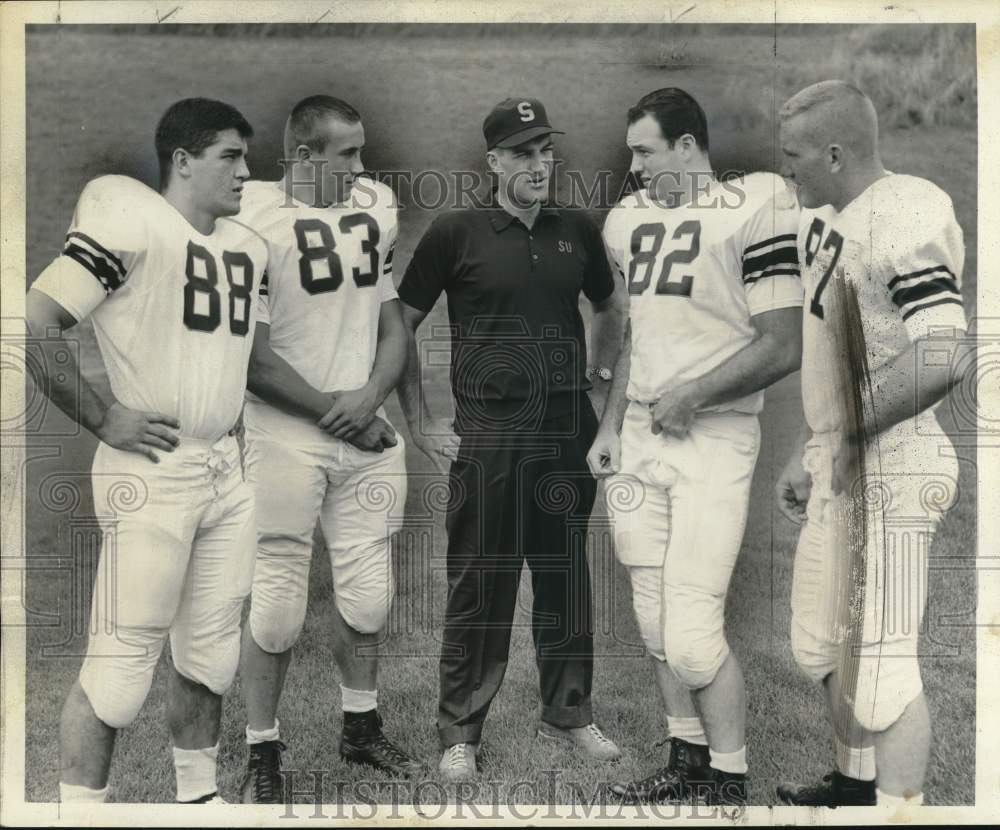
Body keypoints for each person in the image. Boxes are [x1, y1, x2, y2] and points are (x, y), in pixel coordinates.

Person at [26, 98, 268, 804]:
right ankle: (79, 814)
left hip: (228, 468)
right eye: (230, 155)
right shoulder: (132, 219)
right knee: (120, 672)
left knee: (211, 658)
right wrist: (103, 418)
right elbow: (35, 323)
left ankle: (200, 801)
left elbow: (240, 359)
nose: (246, 171)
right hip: (154, 472)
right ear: (183, 161)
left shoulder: (244, 246)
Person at [397, 97, 628, 781]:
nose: (538, 164)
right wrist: (419, 418)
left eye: (545, 151)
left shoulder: (575, 230)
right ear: (493, 161)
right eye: (522, 153)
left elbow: (610, 306)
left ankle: (569, 714)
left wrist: (594, 374)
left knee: (563, 575)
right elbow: (398, 323)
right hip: (490, 432)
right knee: (481, 580)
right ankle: (461, 730)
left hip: (566, 427)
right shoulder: (455, 232)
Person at [589, 87, 804, 806]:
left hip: (713, 435)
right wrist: (611, 422)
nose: (634, 165)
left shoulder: (756, 204)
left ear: (688, 145)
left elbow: (783, 344)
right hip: (643, 432)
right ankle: (685, 760)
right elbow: (633, 333)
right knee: (652, 614)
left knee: (690, 630)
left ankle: (731, 777)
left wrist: (694, 394)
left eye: (645, 150)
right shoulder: (627, 219)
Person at [773, 80, 971, 808]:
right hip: (846, 454)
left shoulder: (904, 211)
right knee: (818, 646)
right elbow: (840, 357)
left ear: (833, 152)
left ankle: (899, 812)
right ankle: (855, 788)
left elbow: (943, 354)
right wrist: (812, 444)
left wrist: (852, 436)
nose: (785, 168)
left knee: (884, 668)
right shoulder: (827, 215)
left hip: (896, 461)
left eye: (793, 155)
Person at [234, 94, 418, 803]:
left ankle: (361, 728)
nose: (361, 167)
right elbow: (253, 360)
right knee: (277, 603)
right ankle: (261, 748)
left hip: (363, 424)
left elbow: (391, 319)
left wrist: (371, 397)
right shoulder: (250, 219)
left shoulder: (375, 205)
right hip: (285, 431)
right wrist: (343, 415)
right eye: (346, 154)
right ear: (304, 157)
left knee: (370, 595)